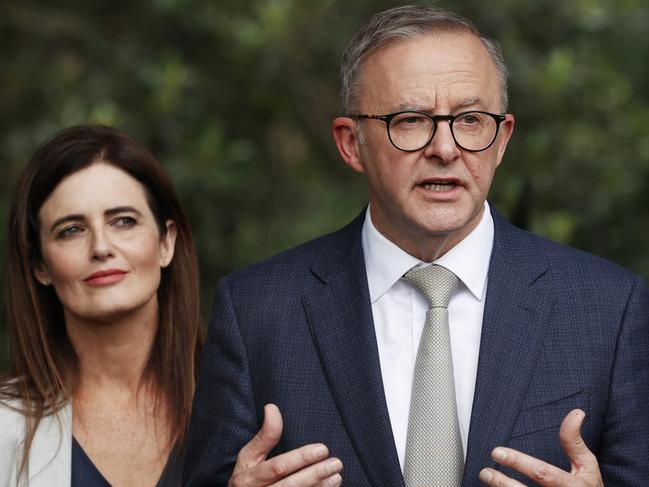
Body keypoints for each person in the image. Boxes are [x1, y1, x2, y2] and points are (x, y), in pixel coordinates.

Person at [183, 5, 649, 487]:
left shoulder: (610, 308)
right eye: (410, 120)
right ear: (351, 143)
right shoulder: (258, 310)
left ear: (502, 139)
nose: (445, 148)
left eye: (469, 119)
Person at [0, 125, 343, 487]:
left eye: (123, 221)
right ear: (40, 265)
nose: (101, 247)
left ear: (166, 242)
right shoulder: (6, 423)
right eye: (71, 229)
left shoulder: (259, 403)